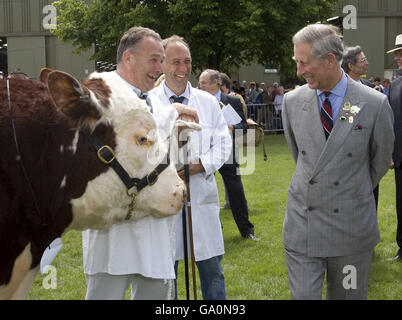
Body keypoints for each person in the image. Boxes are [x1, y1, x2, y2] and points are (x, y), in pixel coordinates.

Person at [82, 27, 198, 300]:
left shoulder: (151, 99)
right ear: (129, 59)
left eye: (161, 60)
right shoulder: (102, 89)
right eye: (154, 59)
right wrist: (172, 114)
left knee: (157, 295)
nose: (160, 68)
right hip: (113, 233)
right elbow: (131, 131)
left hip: (153, 229)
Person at [282, 24, 394, 300]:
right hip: (303, 226)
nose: (299, 71)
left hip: (351, 230)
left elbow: (379, 163)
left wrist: (350, 190)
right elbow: (302, 156)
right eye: (297, 62)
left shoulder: (374, 103)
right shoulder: (292, 102)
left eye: (304, 63)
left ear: (330, 60)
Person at [148, 35, 232, 299]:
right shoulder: (149, 103)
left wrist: (201, 164)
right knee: (164, 275)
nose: (183, 68)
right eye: (175, 62)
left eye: (187, 61)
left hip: (201, 196)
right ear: (162, 64)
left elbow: (223, 141)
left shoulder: (206, 102)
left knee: (212, 272)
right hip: (163, 201)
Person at [199, 69, 259, 241]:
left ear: (215, 83)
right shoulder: (196, 100)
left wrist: (233, 128)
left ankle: (247, 231)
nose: (200, 86)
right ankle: (213, 231)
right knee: (203, 190)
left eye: (203, 83)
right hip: (203, 150)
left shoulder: (232, 100)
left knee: (235, 190)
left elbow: (243, 126)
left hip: (226, 151)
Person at [342, 46, 380, 210]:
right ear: (351, 65)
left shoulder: (369, 87)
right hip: (345, 154)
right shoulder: (339, 88)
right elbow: (343, 121)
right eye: (363, 60)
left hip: (367, 153)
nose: (367, 63)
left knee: (371, 198)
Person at [387, 33, 402, 261]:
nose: (398, 57)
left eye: (401, 53)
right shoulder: (396, 84)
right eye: (397, 53)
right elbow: (391, 122)